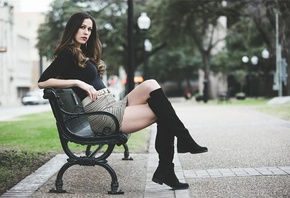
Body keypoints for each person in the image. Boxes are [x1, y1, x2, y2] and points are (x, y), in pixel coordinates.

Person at [38, 12, 207, 190]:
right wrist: (77, 82)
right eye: (82, 27)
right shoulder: (67, 54)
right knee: (161, 111)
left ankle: (177, 150)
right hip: (103, 115)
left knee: (151, 84)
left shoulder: (81, 52)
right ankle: (172, 160)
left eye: (89, 29)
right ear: (73, 28)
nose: (86, 32)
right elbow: (42, 81)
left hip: (111, 105)